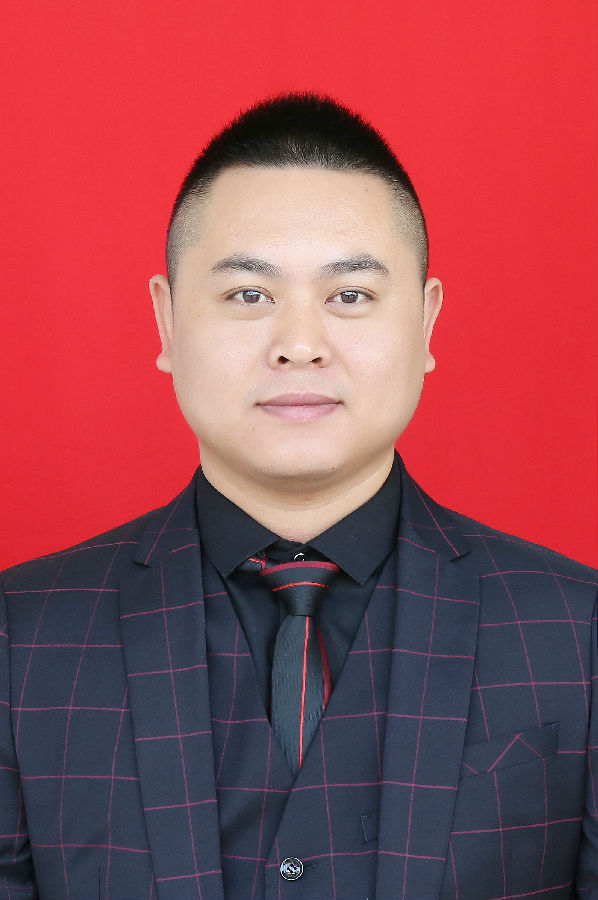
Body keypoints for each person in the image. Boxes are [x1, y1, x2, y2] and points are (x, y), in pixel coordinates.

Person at [0, 94, 596, 900]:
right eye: (250, 295)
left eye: (350, 295)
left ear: (426, 324)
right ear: (167, 322)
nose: (300, 345)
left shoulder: (578, 631)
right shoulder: (22, 639)